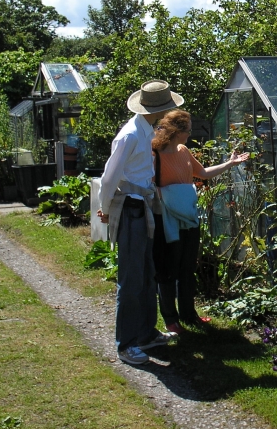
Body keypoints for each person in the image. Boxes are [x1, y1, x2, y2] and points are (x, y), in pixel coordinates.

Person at [96, 80, 183, 366]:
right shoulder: (131, 134)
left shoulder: (145, 130)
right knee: (131, 279)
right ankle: (127, 344)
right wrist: (106, 209)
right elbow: (110, 177)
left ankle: (145, 334)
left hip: (141, 207)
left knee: (146, 275)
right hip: (131, 210)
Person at [152, 109, 249, 333]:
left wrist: (230, 164)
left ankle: (188, 314)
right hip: (167, 219)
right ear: (176, 131)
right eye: (187, 130)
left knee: (187, 267)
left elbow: (203, 173)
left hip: (188, 216)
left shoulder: (183, 150)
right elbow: (147, 184)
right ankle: (170, 319)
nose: (189, 134)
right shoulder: (154, 154)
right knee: (168, 268)